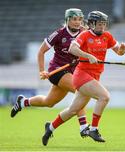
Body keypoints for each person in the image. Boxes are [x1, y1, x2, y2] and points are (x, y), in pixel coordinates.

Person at [41, 10, 125, 145]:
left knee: (72, 110)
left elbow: (119, 52)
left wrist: (122, 50)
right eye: (99, 24)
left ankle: (50, 128)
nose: (102, 27)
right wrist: (88, 56)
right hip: (82, 75)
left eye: (104, 24)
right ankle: (93, 129)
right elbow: (72, 49)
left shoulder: (107, 36)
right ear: (92, 24)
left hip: (95, 76)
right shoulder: (84, 35)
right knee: (104, 97)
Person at [10, 8, 89, 136]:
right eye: (74, 19)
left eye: (80, 19)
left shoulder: (84, 33)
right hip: (57, 71)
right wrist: (42, 71)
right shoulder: (58, 34)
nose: (77, 22)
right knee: (80, 90)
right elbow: (41, 51)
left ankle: (23, 102)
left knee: (49, 102)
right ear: (67, 20)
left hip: (71, 72)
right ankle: (84, 126)